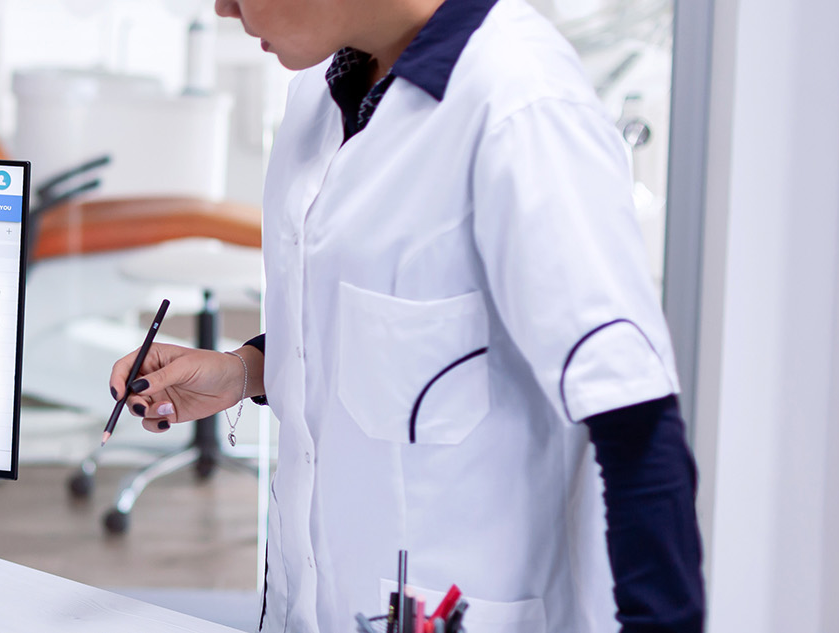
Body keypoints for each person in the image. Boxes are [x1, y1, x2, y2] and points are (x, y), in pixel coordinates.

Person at [110, 1, 705, 632]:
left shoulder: (520, 103)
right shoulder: (322, 85)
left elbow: (634, 420)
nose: (223, 6)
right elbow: (385, 321)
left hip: (472, 602)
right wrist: (245, 371)